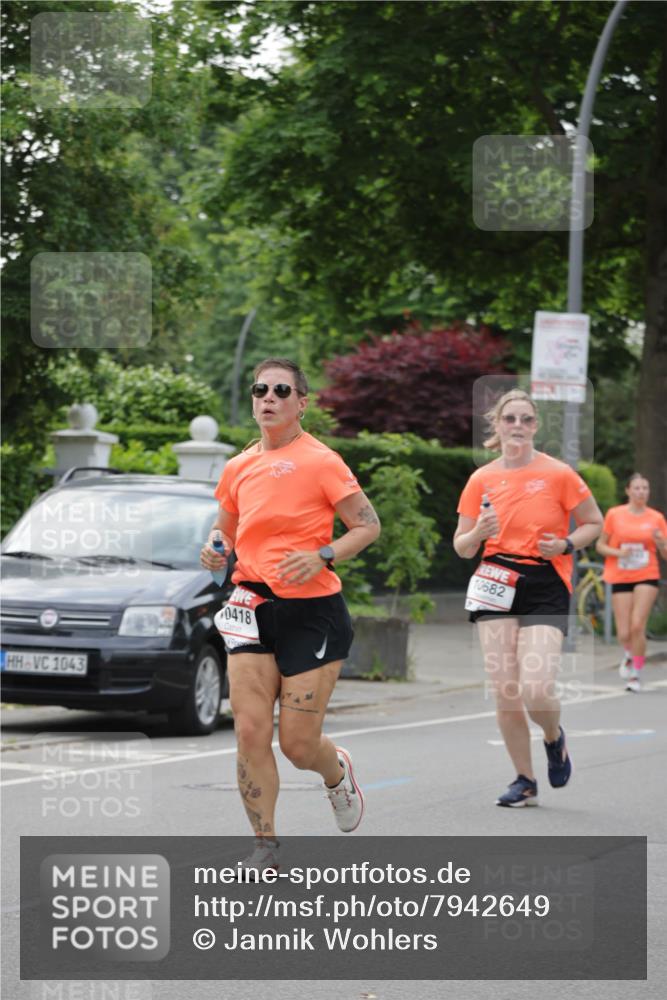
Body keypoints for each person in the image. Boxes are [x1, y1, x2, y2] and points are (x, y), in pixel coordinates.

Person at [200, 358, 380, 869]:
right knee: (251, 731)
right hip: (250, 606)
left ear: (302, 402)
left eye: (282, 390)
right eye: (260, 389)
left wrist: (323, 555)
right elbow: (224, 533)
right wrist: (215, 550)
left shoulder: (322, 461)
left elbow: (367, 526)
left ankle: (335, 772)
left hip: (313, 612)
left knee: (298, 745)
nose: (269, 398)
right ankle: (265, 846)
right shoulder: (238, 466)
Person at [453, 389, 603, 807]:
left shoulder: (559, 474)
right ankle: (525, 779)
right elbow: (461, 546)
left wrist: (568, 544)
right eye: (509, 419)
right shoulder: (480, 479)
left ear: (535, 426)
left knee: (536, 688)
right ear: (497, 426)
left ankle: (554, 738)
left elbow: (594, 522)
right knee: (505, 689)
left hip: (544, 581)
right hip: (495, 580)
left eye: (525, 419)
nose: (517, 426)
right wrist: (478, 533)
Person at [596, 473, 667, 693]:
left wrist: (661, 543)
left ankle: (636, 674)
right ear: (628, 491)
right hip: (620, 574)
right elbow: (600, 546)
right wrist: (619, 552)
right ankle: (629, 653)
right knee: (625, 632)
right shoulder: (614, 515)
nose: (641, 492)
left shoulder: (656, 518)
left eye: (645, 488)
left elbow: (665, 554)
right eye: (636, 488)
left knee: (638, 625)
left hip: (647, 574)